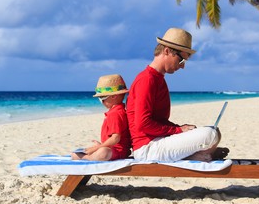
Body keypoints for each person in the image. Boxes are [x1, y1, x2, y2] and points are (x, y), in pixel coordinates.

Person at [126, 27, 228, 162]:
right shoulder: (147, 79)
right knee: (209, 134)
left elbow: (158, 122)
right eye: (181, 61)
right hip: (147, 148)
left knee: (213, 132)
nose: (182, 66)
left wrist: (179, 128)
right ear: (167, 51)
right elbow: (143, 124)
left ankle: (201, 156)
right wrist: (178, 130)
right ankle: (202, 155)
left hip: (158, 142)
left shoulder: (157, 79)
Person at [71, 74, 131, 161]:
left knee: (100, 152)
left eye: (102, 98)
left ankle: (88, 158)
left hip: (118, 151)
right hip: (117, 150)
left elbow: (115, 138)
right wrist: (101, 144)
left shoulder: (115, 114)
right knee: (98, 151)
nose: (101, 102)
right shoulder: (119, 111)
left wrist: (97, 148)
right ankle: (94, 154)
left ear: (114, 96)